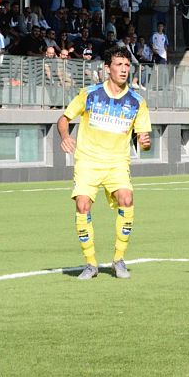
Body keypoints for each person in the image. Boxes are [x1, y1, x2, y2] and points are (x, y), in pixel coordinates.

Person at [57, 45, 152, 280]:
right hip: (88, 161)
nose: (124, 69)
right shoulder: (89, 93)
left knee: (127, 199)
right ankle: (90, 264)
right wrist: (65, 135)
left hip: (117, 162)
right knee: (82, 205)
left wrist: (145, 141)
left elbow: (144, 141)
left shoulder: (137, 101)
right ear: (107, 68)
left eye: (127, 65)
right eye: (118, 65)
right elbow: (64, 118)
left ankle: (118, 259)